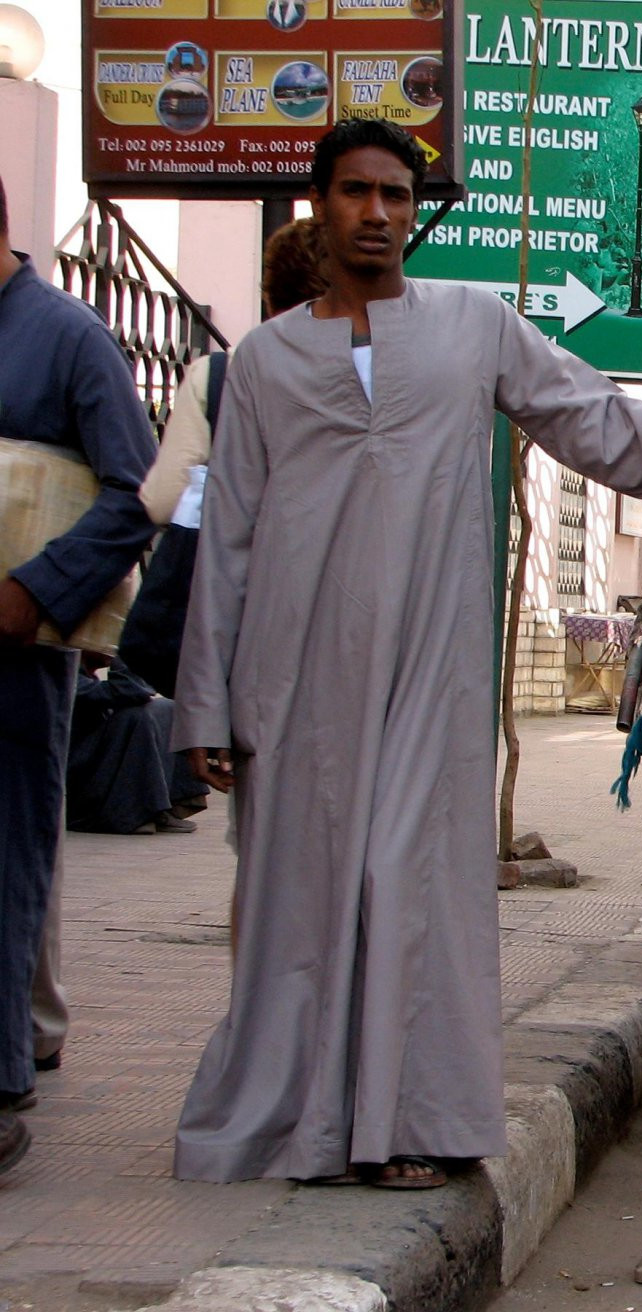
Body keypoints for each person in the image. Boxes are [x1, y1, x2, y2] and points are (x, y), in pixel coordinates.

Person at [170, 119, 642, 1188]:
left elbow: (604, 426)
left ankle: (408, 1127)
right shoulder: (259, 364)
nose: (379, 216)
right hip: (291, 683)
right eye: (357, 193)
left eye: (397, 197)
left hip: (427, 679)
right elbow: (230, 539)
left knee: (411, 884)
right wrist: (206, 707)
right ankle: (293, 1122)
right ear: (319, 205)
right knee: (298, 903)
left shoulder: (472, 327)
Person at [0, 175, 158, 1173]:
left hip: (14, 648)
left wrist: (41, 590)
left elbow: (141, 483)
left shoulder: (67, 337)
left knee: (9, 855)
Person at [125, 217, 328, 697]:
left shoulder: (217, 377)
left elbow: (160, 501)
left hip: (223, 632)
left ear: (268, 296)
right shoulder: (366, 384)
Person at [65, 656, 208, 835]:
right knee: (135, 716)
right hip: (75, 776)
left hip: (94, 759)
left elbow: (134, 691)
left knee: (167, 708)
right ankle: (132, 811)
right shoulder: (60, 668)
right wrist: (123, 654)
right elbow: (128, 691)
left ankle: (160, 807)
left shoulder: (83, 673)